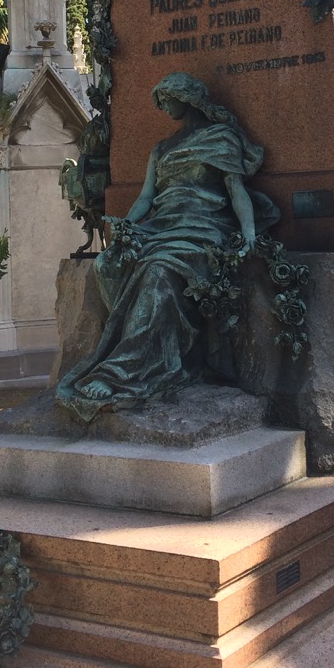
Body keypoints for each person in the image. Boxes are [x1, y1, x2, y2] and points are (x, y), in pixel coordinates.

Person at [56, 72, 278, 421]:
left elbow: (236, 191)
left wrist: (249, 234)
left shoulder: (220, 139)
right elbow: (146, 198)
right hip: (161, 226)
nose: (162, 107)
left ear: (186, 100)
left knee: (158, 272)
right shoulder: (161, 149)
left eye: (166, 99)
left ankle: (123, 371)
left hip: (204, 226)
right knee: (108, 265)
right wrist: (126, 225)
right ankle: (155, 348)